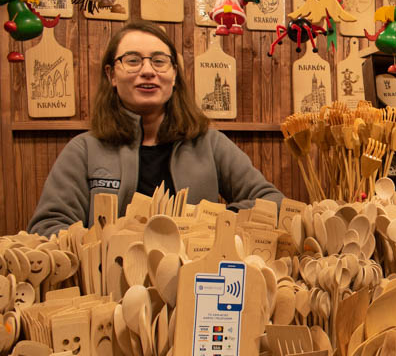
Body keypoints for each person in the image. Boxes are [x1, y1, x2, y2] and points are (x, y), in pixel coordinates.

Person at [29, 21, 284, 236]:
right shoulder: (84, 150)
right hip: (107, 291)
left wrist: (210, 223)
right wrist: (111, 241)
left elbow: (273, 202)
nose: (148, 71)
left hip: (193, 286)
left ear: (174, 75)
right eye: (132, 60)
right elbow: (47, 227)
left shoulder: (209, 143)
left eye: (159, 61)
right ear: (111, 76)